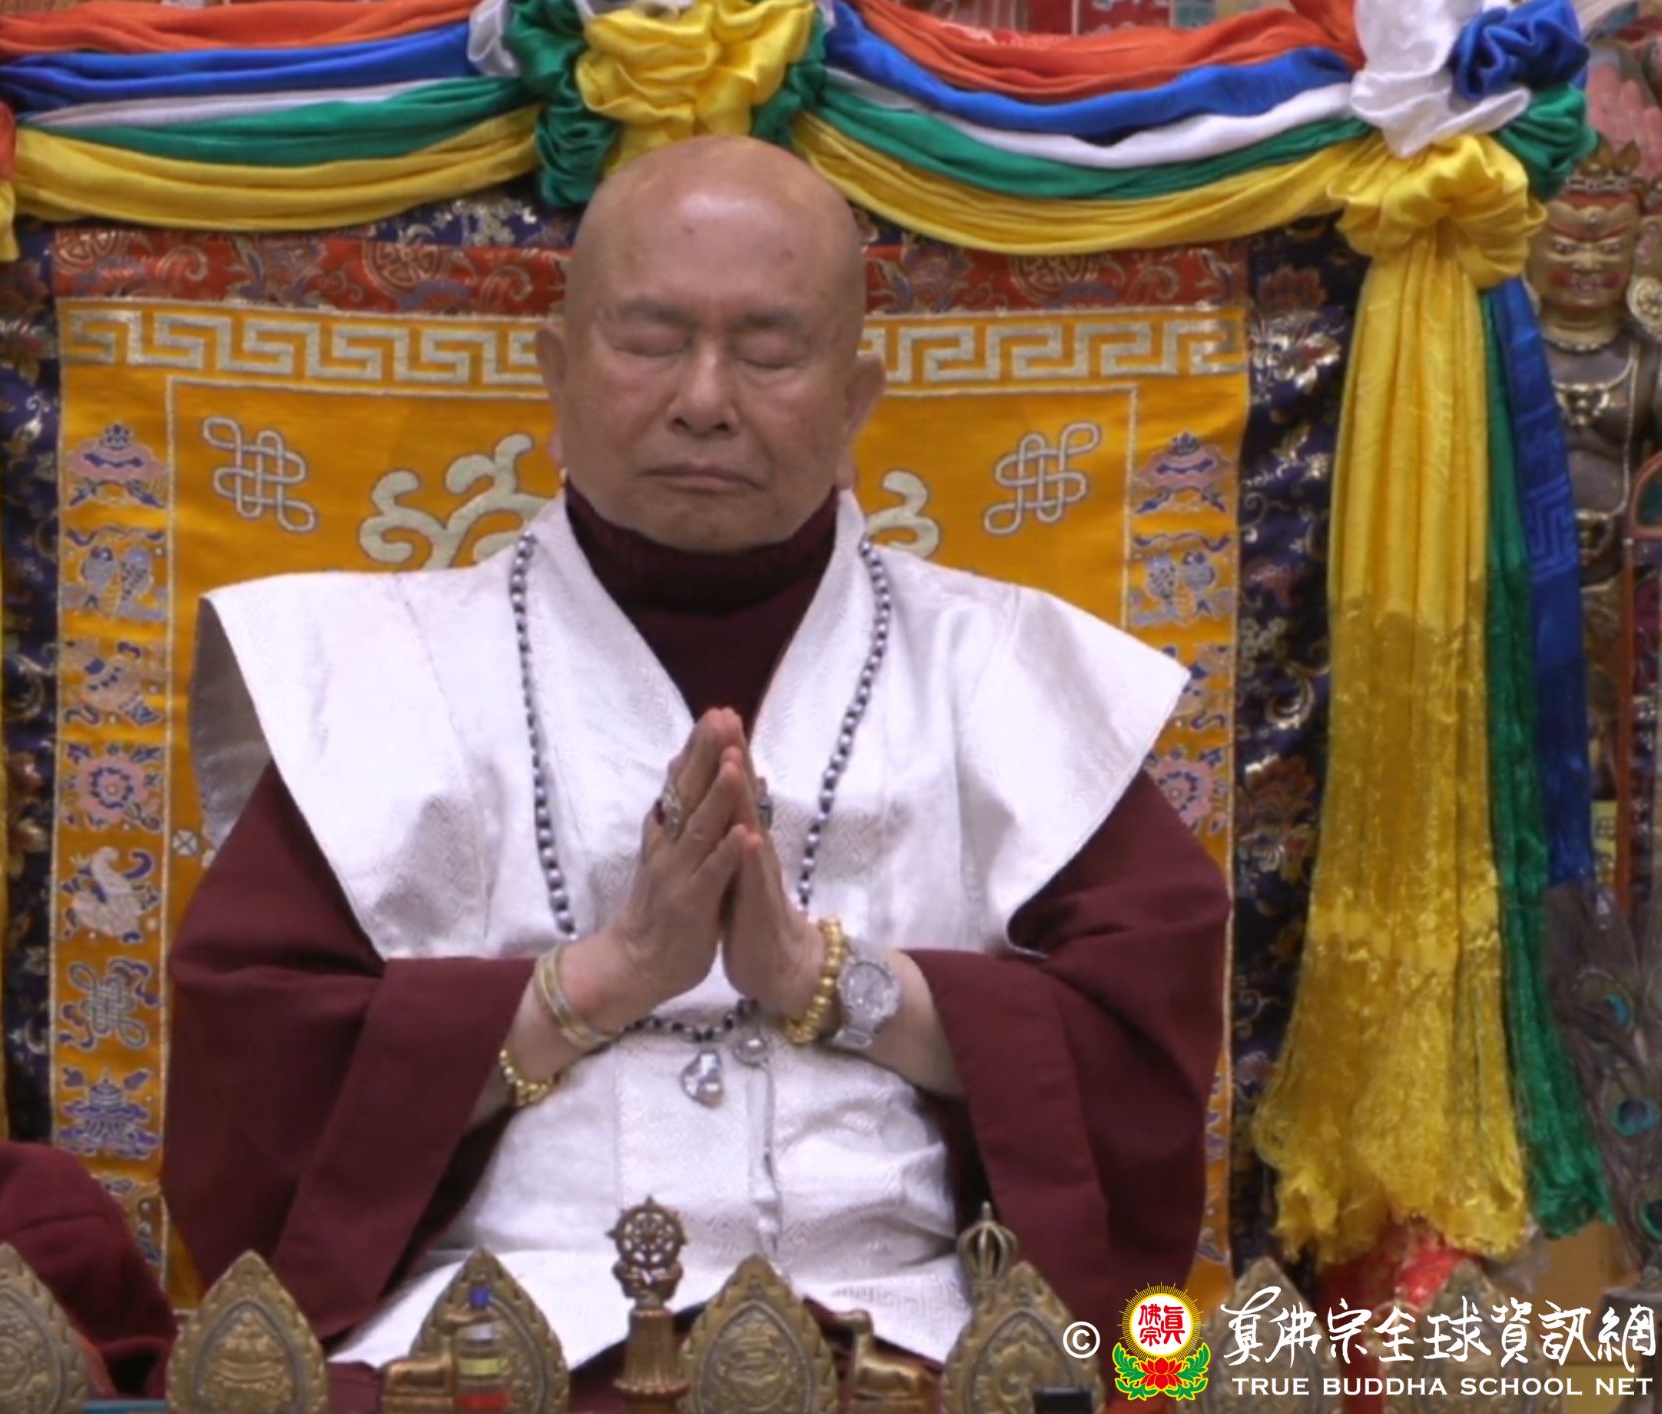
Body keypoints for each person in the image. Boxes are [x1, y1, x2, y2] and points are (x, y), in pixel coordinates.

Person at [165, 134, 1228, 1408]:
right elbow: (255, 1084)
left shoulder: (1003, 671)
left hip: (912, 1329)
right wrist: (597, 982)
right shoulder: (375, 669)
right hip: (485, 1334)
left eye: (768, 352)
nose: (704, 399)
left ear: (856, 398)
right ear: (555, 371)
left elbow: (1135, 1053)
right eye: (650, 340)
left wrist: (832, 984)